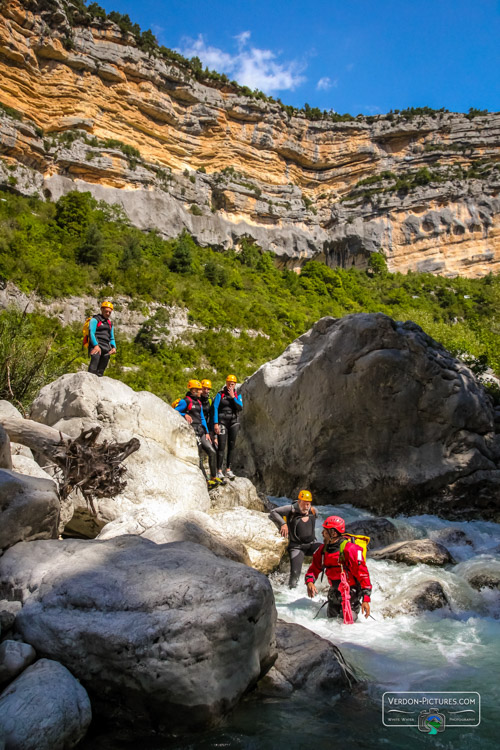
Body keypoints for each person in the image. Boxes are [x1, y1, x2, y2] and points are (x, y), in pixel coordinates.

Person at [305, 516, 372, 620]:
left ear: (334, 533)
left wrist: (366, 600)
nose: (322, 533)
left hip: (351, 594)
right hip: (334, 593)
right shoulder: (323, 550)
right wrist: (310, 582)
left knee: (347, 624)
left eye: (325, 531)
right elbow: (314, 569)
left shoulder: (351, 550)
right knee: (331, 622)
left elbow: (363, 575)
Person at [174, 379, 221, 490]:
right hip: (192, 431)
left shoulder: (198, 402)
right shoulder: (186, 401)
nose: (201, 391)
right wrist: (184, 414)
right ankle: (205, 480)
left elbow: (202, 418)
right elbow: (174, 411)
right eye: (199, 389)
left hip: (200, 430)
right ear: (193, 390)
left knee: (212, 451)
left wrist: (206, 432)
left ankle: (213, 477)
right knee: (198, 456)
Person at [269, 490, 321, 589]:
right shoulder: (291, 509)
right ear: (299, 502)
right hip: (297, 547)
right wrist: (283, 524)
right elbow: (274, 512)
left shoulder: (313, 511)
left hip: (311, 545)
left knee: (328, 550)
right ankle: (292, 591)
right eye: (305, 504)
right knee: (295, 574)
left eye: (309, 504)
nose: (307, 506)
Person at [212, 374, 243, 481]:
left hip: (233, 422)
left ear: (235, 385)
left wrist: (233, 397)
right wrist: (215, 423)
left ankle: (228, 470)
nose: (231, 385)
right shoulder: (220, 395)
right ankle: (219, 470)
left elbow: (240, 408)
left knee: (231, 446)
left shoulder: (238, 396)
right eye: (229, 383)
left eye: (233, 384)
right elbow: (215, 408)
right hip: (222, 422)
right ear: (226, 383)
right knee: (221, 446)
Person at [88, 300, 117, 377]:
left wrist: (114, 347)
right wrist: (96, 345)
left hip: (106, 347)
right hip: (96, 345)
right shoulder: (95, 320)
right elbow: (91, 333)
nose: (108, 314)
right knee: (94, 365)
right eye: (106, 311)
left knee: (101, 371)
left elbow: (112, 338)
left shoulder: (110, 324)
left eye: (109, 312)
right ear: (102, 310)